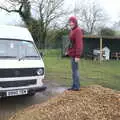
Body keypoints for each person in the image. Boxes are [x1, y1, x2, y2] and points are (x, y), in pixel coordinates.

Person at [67, 16, 83, 91]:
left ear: (75, 22)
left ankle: (76, 86)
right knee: (73, 71)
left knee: (75, 70)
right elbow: (71, 43)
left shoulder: (78, 30)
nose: (71, 23)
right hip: (72, 53)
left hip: (75, 55)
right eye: (69, 22)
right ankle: (74, 85)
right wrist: (68, 51)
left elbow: (79, 44)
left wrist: (78, 55)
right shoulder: (72, 30)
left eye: (72, 22)